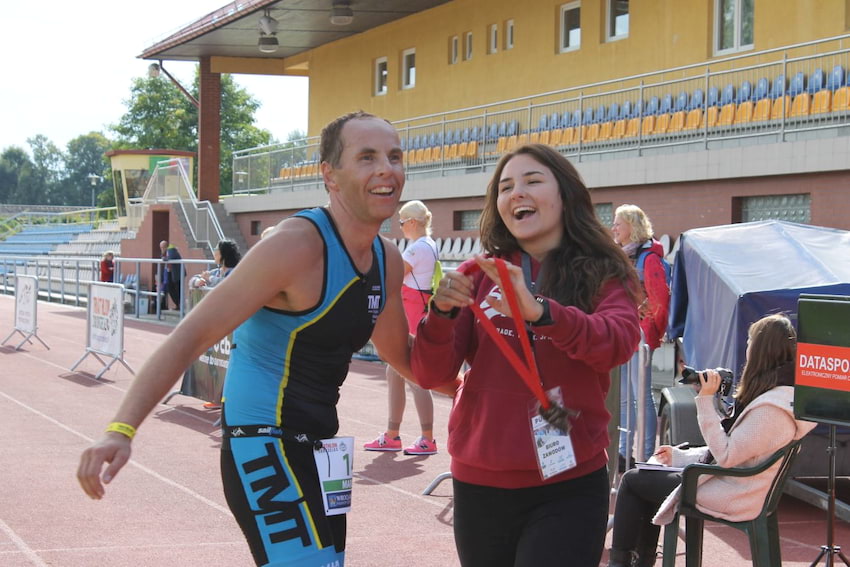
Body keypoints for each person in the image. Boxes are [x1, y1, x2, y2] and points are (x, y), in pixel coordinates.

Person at [77, 111, 456, 567]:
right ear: (329, 175)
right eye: (367, 157)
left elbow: (405, 359)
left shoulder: (387, 259)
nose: (386, 169)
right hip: (263, 439)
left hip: (321, 444)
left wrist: (486, 393)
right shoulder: (294, 245)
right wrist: (120, 430)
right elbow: (190, 335)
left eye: (395, 156)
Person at [411, 143, 642, 567]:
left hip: (569, 482)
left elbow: (618, 342)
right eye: (505, 186)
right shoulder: (476, 274)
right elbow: (430, 373)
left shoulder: (604, 272)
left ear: (565, 194)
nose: (517, 192)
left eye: (533, 181)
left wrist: (541, 311)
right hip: (480, 480)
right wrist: (440, 314)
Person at [607, 313, 816, 567]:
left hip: (736, 492)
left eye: (750, 341)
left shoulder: (770, 410)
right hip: (737, 483)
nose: (747, 347)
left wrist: (705, 401)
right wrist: (680, 456)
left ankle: (622, 562)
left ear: (761, 350)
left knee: (633, 481)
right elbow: (734, 448)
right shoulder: (778, 397)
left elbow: (726, 454)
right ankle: (640, 562)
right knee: (651, 473)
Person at [364, 200, 440, 455]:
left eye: (401, 222)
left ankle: (427, 437)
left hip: (411, 318)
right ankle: (392, 434)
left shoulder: (419, 248)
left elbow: (392, 275)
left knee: (414, 376)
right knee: (394, 374)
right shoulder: (426, 245)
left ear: (412, 222)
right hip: (411, 314)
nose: (399, 228)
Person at [612, 204, 670, 469]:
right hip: (624, 334)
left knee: (640, 396)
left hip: (639, 339)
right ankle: (625, 453)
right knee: (625, 397)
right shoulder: (625, 257)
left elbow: (659, 300)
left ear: (631, 227)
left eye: (618, 223)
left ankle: (644, 454)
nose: (613, 228)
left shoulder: (649, 257)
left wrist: (648, 331)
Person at [159, 240, 183, 309]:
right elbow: (162, 257)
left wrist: (164, 258)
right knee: (170, 288)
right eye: (161, 248)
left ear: (166, 246)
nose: (162, 249)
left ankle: (179, 305)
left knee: (178, 289)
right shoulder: (166, 251)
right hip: (170, 272)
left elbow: (170, 258)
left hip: (177, 273)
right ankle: (178, 304)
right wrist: (163, 255)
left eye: (162, 247)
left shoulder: (171, 250)